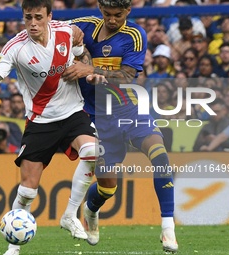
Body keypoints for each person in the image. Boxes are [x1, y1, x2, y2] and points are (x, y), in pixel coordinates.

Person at [0, 1, 100, 254]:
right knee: (28, 191)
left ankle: (69, 214)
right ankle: (13, 248)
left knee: (92, 151)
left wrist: (83, 66)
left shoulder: (65, 31)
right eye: (28, 17)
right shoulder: (15, 47)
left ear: (49, 16)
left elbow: (82, 53)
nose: (33, 23)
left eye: (38, 17)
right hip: (40, 121)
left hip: (73, 113)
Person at [62, 0, 178, 252]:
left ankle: (168, 227)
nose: (112, 20)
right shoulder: (85, 25)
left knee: (160, 156)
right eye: (107, 14)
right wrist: (68, 32)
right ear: (100, 9)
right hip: (96, 118)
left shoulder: (135, 35)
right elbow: (51, 28)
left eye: (118, 15)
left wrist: (88, 68)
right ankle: (91, 210)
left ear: (128, 11)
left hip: (129, 108)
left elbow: (126, 76)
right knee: (107, 188)